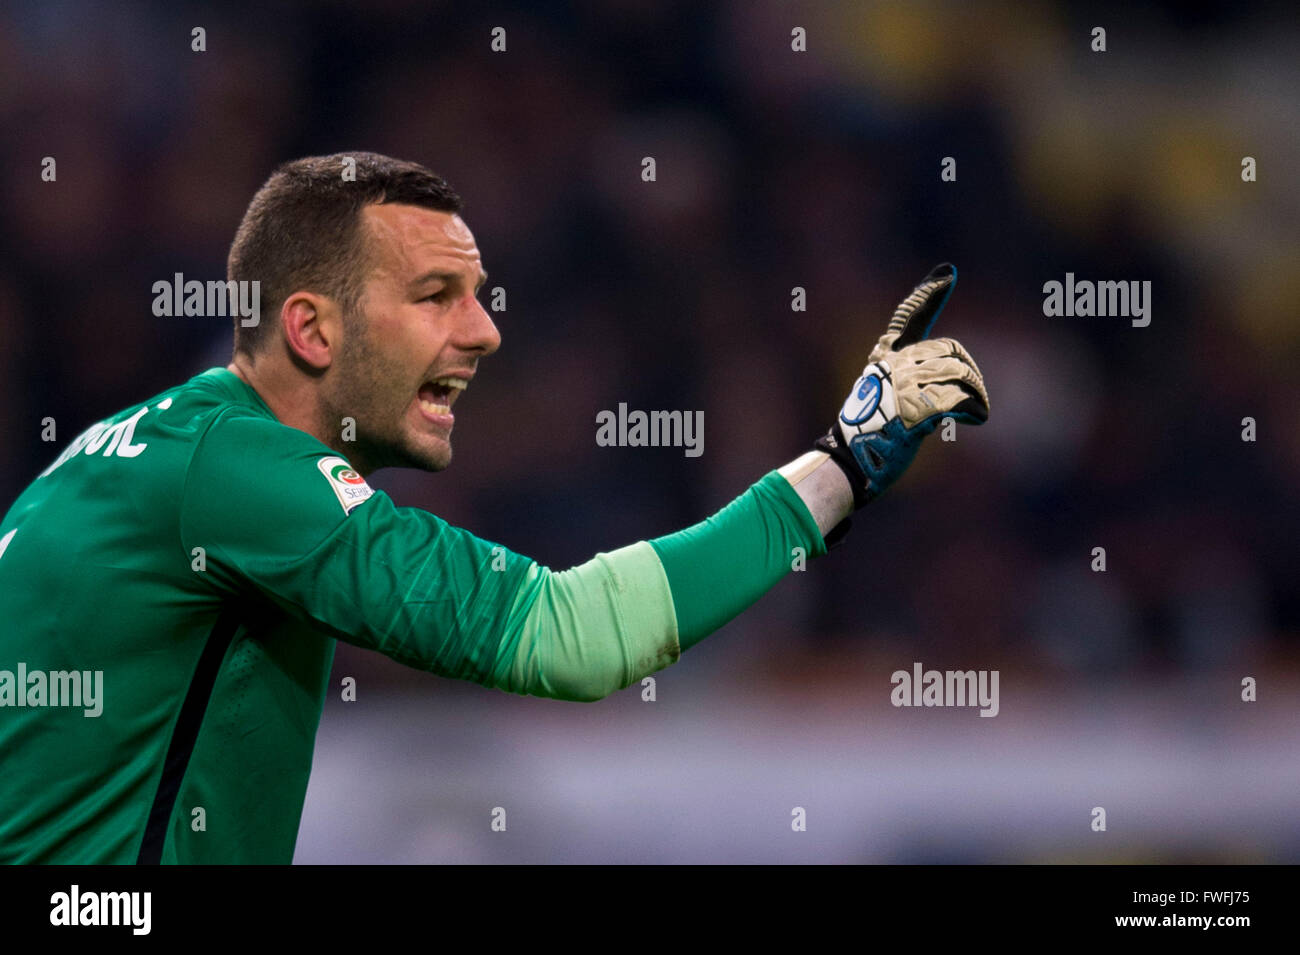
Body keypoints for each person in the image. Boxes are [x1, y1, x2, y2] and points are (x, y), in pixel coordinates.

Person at [0, 152, 988, 863]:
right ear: (309, 328)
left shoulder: (129, 457)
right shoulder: (241, 473)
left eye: (478, 294)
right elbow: (574, 638)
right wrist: (841, 465)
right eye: (436, 296)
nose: (483, 333)